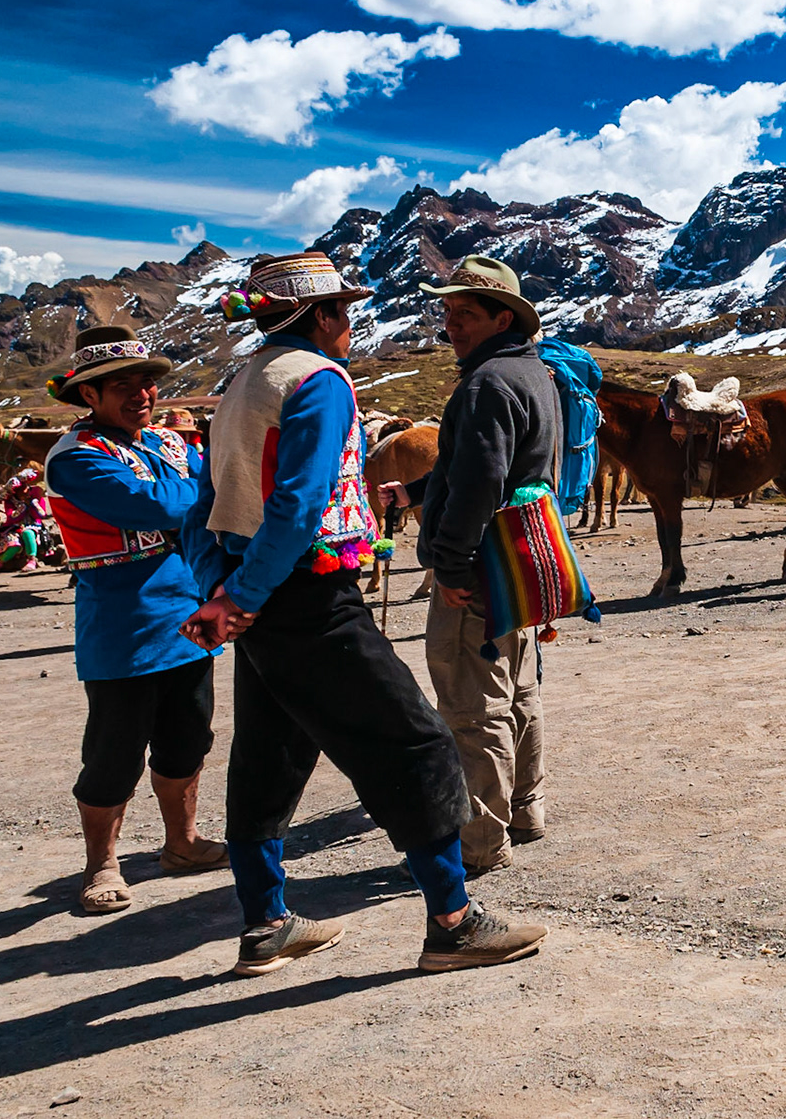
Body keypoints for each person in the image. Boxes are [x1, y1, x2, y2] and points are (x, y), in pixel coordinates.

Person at [181, 251, 546, 977]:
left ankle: (266, 922)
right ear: (319, 317)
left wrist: (223, 591)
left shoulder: (239, 386)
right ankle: (453, 920)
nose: (349, 324)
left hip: (256, 593)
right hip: (310, 594)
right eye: (342, 311)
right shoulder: (318, 384)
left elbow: (207, 505)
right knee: (415, 743)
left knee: (267, 757)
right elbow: (297, 508)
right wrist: (246, 598)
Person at [378, 257, 558, 876]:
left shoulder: (484, 384)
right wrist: (418, 491)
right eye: (447, 312)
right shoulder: (532, 373)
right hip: (520, 556)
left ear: (502, 317)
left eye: (466, 314)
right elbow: (489, 466)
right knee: (518, 688)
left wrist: (449, 565)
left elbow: (482, 480)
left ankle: (480, 842)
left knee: (472, 703)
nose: (450, 324)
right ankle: (527, 808)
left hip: (478, 565)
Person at [42, 325, 228, 914]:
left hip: (190, 616)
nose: (140, 395)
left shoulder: (173, 446)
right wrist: (197, 486)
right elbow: (164, 505)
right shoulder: (75, 458)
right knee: (114, 748)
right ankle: (101, 864)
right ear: (88, 396)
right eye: (120, 386)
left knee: (189, 736)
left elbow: (204, 489)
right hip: (122, 624)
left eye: (146, 383)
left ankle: (183, 842)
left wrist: (196, 486)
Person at [0, 468, 51, 570]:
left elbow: (41, 515)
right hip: (15, 527)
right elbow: (11, 516)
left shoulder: (36, 494)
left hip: (34, 524)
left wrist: (34, 504)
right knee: (14, 544)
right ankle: (1, 562)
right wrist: (21, 509)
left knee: (28, 533)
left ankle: (32, 559)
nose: (25, 492)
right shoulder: (10, 501)